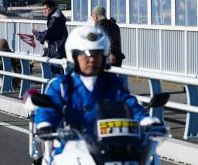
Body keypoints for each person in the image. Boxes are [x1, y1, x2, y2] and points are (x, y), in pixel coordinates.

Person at [33, 26, 161, 140]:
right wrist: (45, 124)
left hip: (108, 146)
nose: (92, 60)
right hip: (71, 146)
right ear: (74, 56)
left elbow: (129, 103)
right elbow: (48, 108)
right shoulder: (62, 85)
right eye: (86, 55)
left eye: (97, 55)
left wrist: (146, 120)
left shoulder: (112, 83)